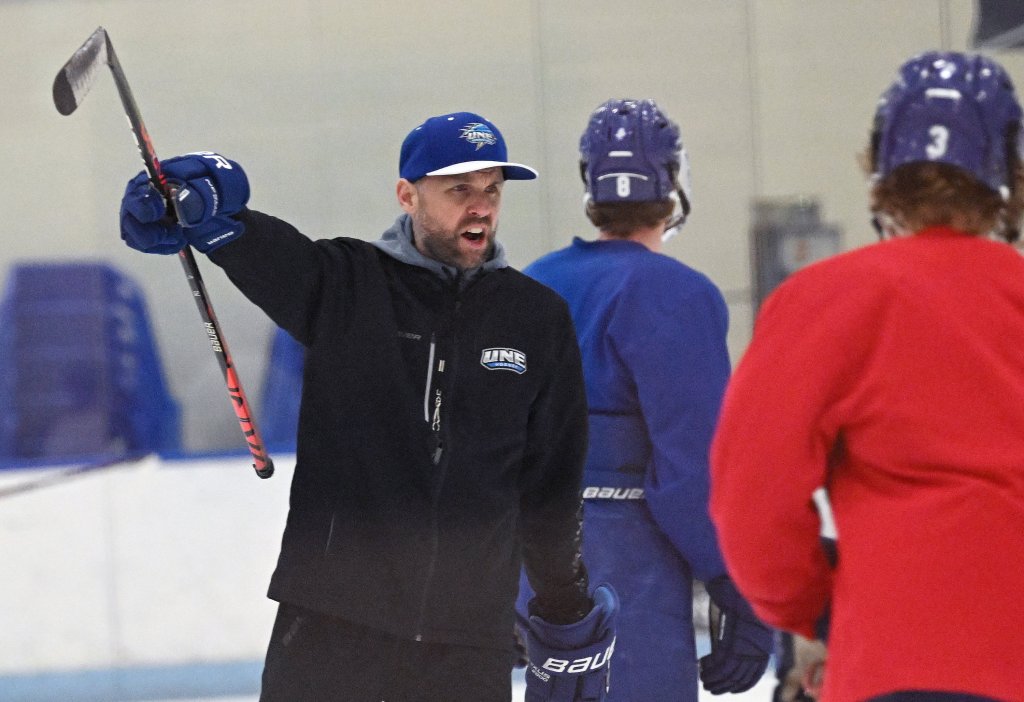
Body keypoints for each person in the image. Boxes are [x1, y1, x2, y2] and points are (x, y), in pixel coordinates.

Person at [118, 112, 618, 702]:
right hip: (331, 622)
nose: (480, 207)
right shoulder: (346, 283)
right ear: (408, 195)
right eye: (459, 189)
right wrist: (201, 208)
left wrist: (564, 604)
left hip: (469, 641)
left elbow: (551, 482)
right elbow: (261, 249)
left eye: (491, 190)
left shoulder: (536, 318)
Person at [709, 51, 1024, 702]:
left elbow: (751, 495)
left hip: (888, 659)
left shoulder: (823, 301)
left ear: (882, 168)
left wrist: (815, 609)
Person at [517, 98, 772, 701]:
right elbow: (693, 466)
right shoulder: (678, 294)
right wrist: (735, 580)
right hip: (633, 573)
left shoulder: (535, 282)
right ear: (673, 182)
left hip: (535, 563)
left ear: (590, 181)